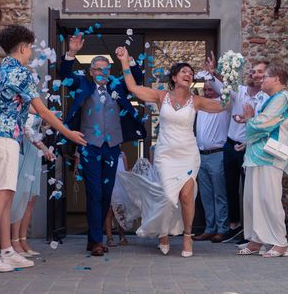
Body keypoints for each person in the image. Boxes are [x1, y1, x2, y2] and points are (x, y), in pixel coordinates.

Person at [0, 24, 86, 272]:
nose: (32, 53)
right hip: (5, 136)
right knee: (3, 192)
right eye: (31, 48)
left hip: (2, 135)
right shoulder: (20, 72)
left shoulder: (0, 71)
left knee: (8, 192)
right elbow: (42, 110)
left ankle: (6, 250)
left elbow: (30, 108)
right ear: (23, 47)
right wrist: (67, 132)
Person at [115, 46, 225, 257]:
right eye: (183, 71)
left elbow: (225, 104)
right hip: (166, 154)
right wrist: (124, 61)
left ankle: (187, 237)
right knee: (166, 196)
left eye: (191, 73)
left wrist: (216, 75)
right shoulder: (161, 96)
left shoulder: (197, 101)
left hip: (188, 155)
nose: (188, 74)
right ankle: (163, 233)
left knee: (186, 196)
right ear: (174, 77)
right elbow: (133, 88)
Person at [60, 35, 146, 256]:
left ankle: (93, 238)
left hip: (113, 146)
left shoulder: (118, 85)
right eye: (98, 69)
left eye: (106, 69)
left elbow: (137, 80)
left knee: (106, 193)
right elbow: (64, 75)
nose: (102, 73)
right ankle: (97, 241)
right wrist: (71, 54)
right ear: (91, 71)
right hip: (90, 145)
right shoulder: (82, 84)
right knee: (94, 191)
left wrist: (128, 60)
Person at [235, 64, 288, 257]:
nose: (261, 81)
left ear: (276, 79)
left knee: (268, 198)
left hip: (271, 156)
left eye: (265, 78)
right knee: (253, 198)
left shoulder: (283, 99)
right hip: (258, 155)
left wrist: (249, 119)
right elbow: (265, 125)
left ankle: (280, 243)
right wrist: (247, 142)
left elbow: (264, 123)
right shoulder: (274, 99)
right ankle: (257, 239)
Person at [205, 54, 269, 242]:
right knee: (230, 187)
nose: (253, 74)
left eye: (259, 72)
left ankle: (251, 229)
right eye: (252, 71)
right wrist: (212, 73)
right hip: (230, 145)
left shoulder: (265, 97)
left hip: (250, 147)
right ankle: (234, 226)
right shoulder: (239, 91)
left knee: (249, 189)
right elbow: (221, 88)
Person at [10, 112, 55, 258]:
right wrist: (43, 146)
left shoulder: (36, 102)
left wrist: (45, 122)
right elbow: (25, 127)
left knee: (31, 199)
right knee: (21, 197)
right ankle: (14, 241)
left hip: (34, 153)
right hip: (24, 149)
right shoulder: (23, 99)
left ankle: (24, 241)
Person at [192, 80, 232, 243]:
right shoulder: (201, 105)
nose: (207, 92)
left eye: (210, 89)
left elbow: (226, 91)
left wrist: (213, 76)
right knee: (206, 195)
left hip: (217, 154)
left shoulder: (223, 105)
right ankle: (210, 228)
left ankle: (222, 228)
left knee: (219, 194)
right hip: (200, 154)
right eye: (205, 89)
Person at [105, 151, 128, 248]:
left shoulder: (122, 155)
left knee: (120, 211)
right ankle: (109, 238)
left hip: (120, 187)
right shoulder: (105, 153)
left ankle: (122, 236)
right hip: (110, 185)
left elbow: (126, 171)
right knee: (109, 212)